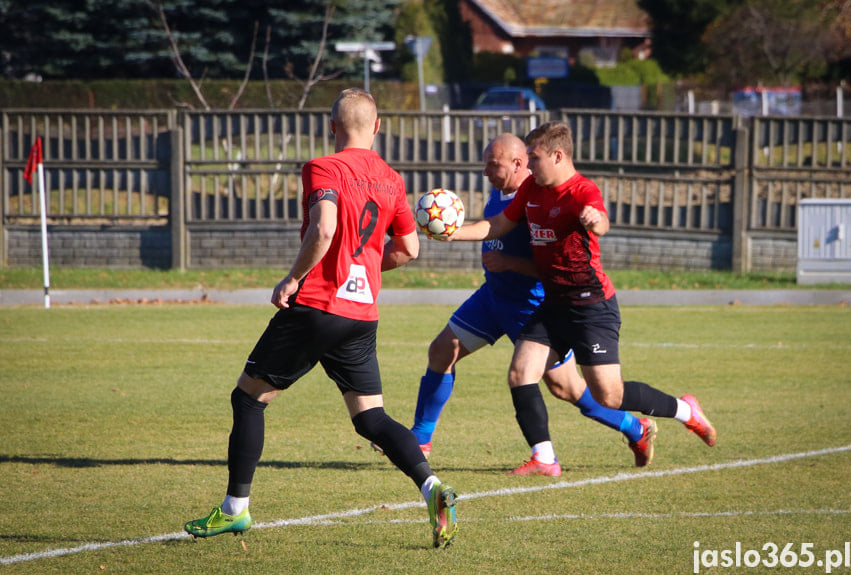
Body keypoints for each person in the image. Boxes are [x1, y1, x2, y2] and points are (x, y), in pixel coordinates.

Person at [184, 88, 458, 549]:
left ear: (332, 127)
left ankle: (234, 510)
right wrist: (367, 266)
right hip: (361, 315)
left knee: (249, 398)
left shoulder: (324, 167)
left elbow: (325, 227)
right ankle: (432, 488)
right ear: (377, 127)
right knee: (371, 418)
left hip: (317, 306)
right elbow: (409, 249)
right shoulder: (392, 180)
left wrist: (293, 278)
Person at [444, 122, 717, 458]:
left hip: (590, 305)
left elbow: (602, 221)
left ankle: (685, 411)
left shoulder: (581, 191)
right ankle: (544, 459)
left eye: (535, 157)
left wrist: (594, 220)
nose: (529, 164)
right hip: (552, 305)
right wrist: (452, 233)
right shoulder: (532, 189)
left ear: (558, 156)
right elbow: (498, 225)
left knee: (609, 396)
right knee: (521, 373)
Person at [410, 133, 657, 475]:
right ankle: (420, 439)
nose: (485, 172)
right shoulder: (501, 193)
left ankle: (635, 428)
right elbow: (491, 228)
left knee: (567, 388)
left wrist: (512, 264)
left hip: (530, 305)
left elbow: (551, 265)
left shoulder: (535, 197)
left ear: (518, 163)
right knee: (441, 350)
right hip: (492, 298)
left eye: (492, 165)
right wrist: (452, 232)